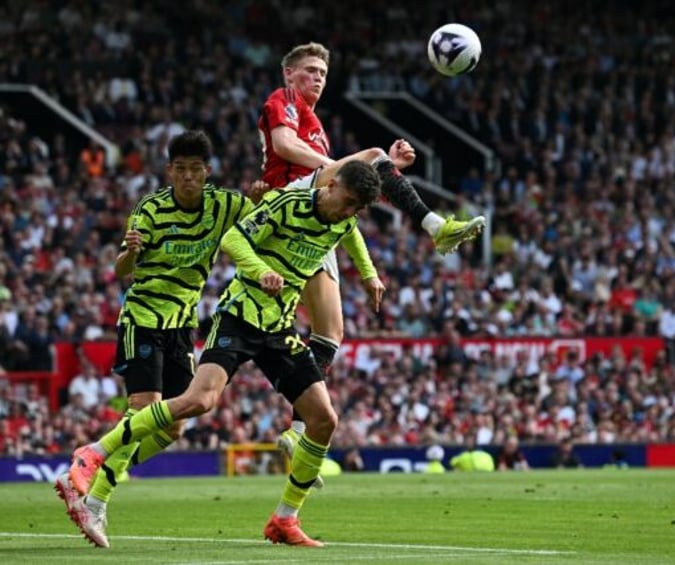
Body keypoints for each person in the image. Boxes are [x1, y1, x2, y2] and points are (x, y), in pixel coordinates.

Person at [68, 159, 384, 548]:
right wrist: (259, 270)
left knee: (323, 420)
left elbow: (349, 234)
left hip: (278, 327)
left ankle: (285, 519)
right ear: (332, 184)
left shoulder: (343, 218)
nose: (349, 211)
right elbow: (234, 239)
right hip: (238, 317)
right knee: (199, 401)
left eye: (356, 208)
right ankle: (94, 451)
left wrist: (368, 274)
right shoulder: (287, 205)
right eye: (348, 201)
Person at [259, 42, 486, 461]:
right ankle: (435, 226)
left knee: (329, 332)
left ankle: (295, 429)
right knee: (374, 157)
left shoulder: (317, 124)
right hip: (286, 206)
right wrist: (344, 164)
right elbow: (285, 147)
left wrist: (368, 269)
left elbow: (346, 207)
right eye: (309, 71)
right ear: (289, 74)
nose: (317, 79)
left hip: (313, 226)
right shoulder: (285, 99)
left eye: (323, 74)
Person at [54, 130, 273, 548]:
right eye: (181, 170)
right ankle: (91, 487)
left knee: (172, 428)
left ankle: (94, 487)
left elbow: (262, 218)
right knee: (143, 410)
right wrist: (130, 252)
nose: (188, 177)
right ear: (170, 171)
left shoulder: (225, 204)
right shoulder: (150, 210)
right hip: (143, 319)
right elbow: (122, 270)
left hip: (181, 326)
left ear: (207, 173)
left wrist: (262, 197)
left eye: (196, 170)